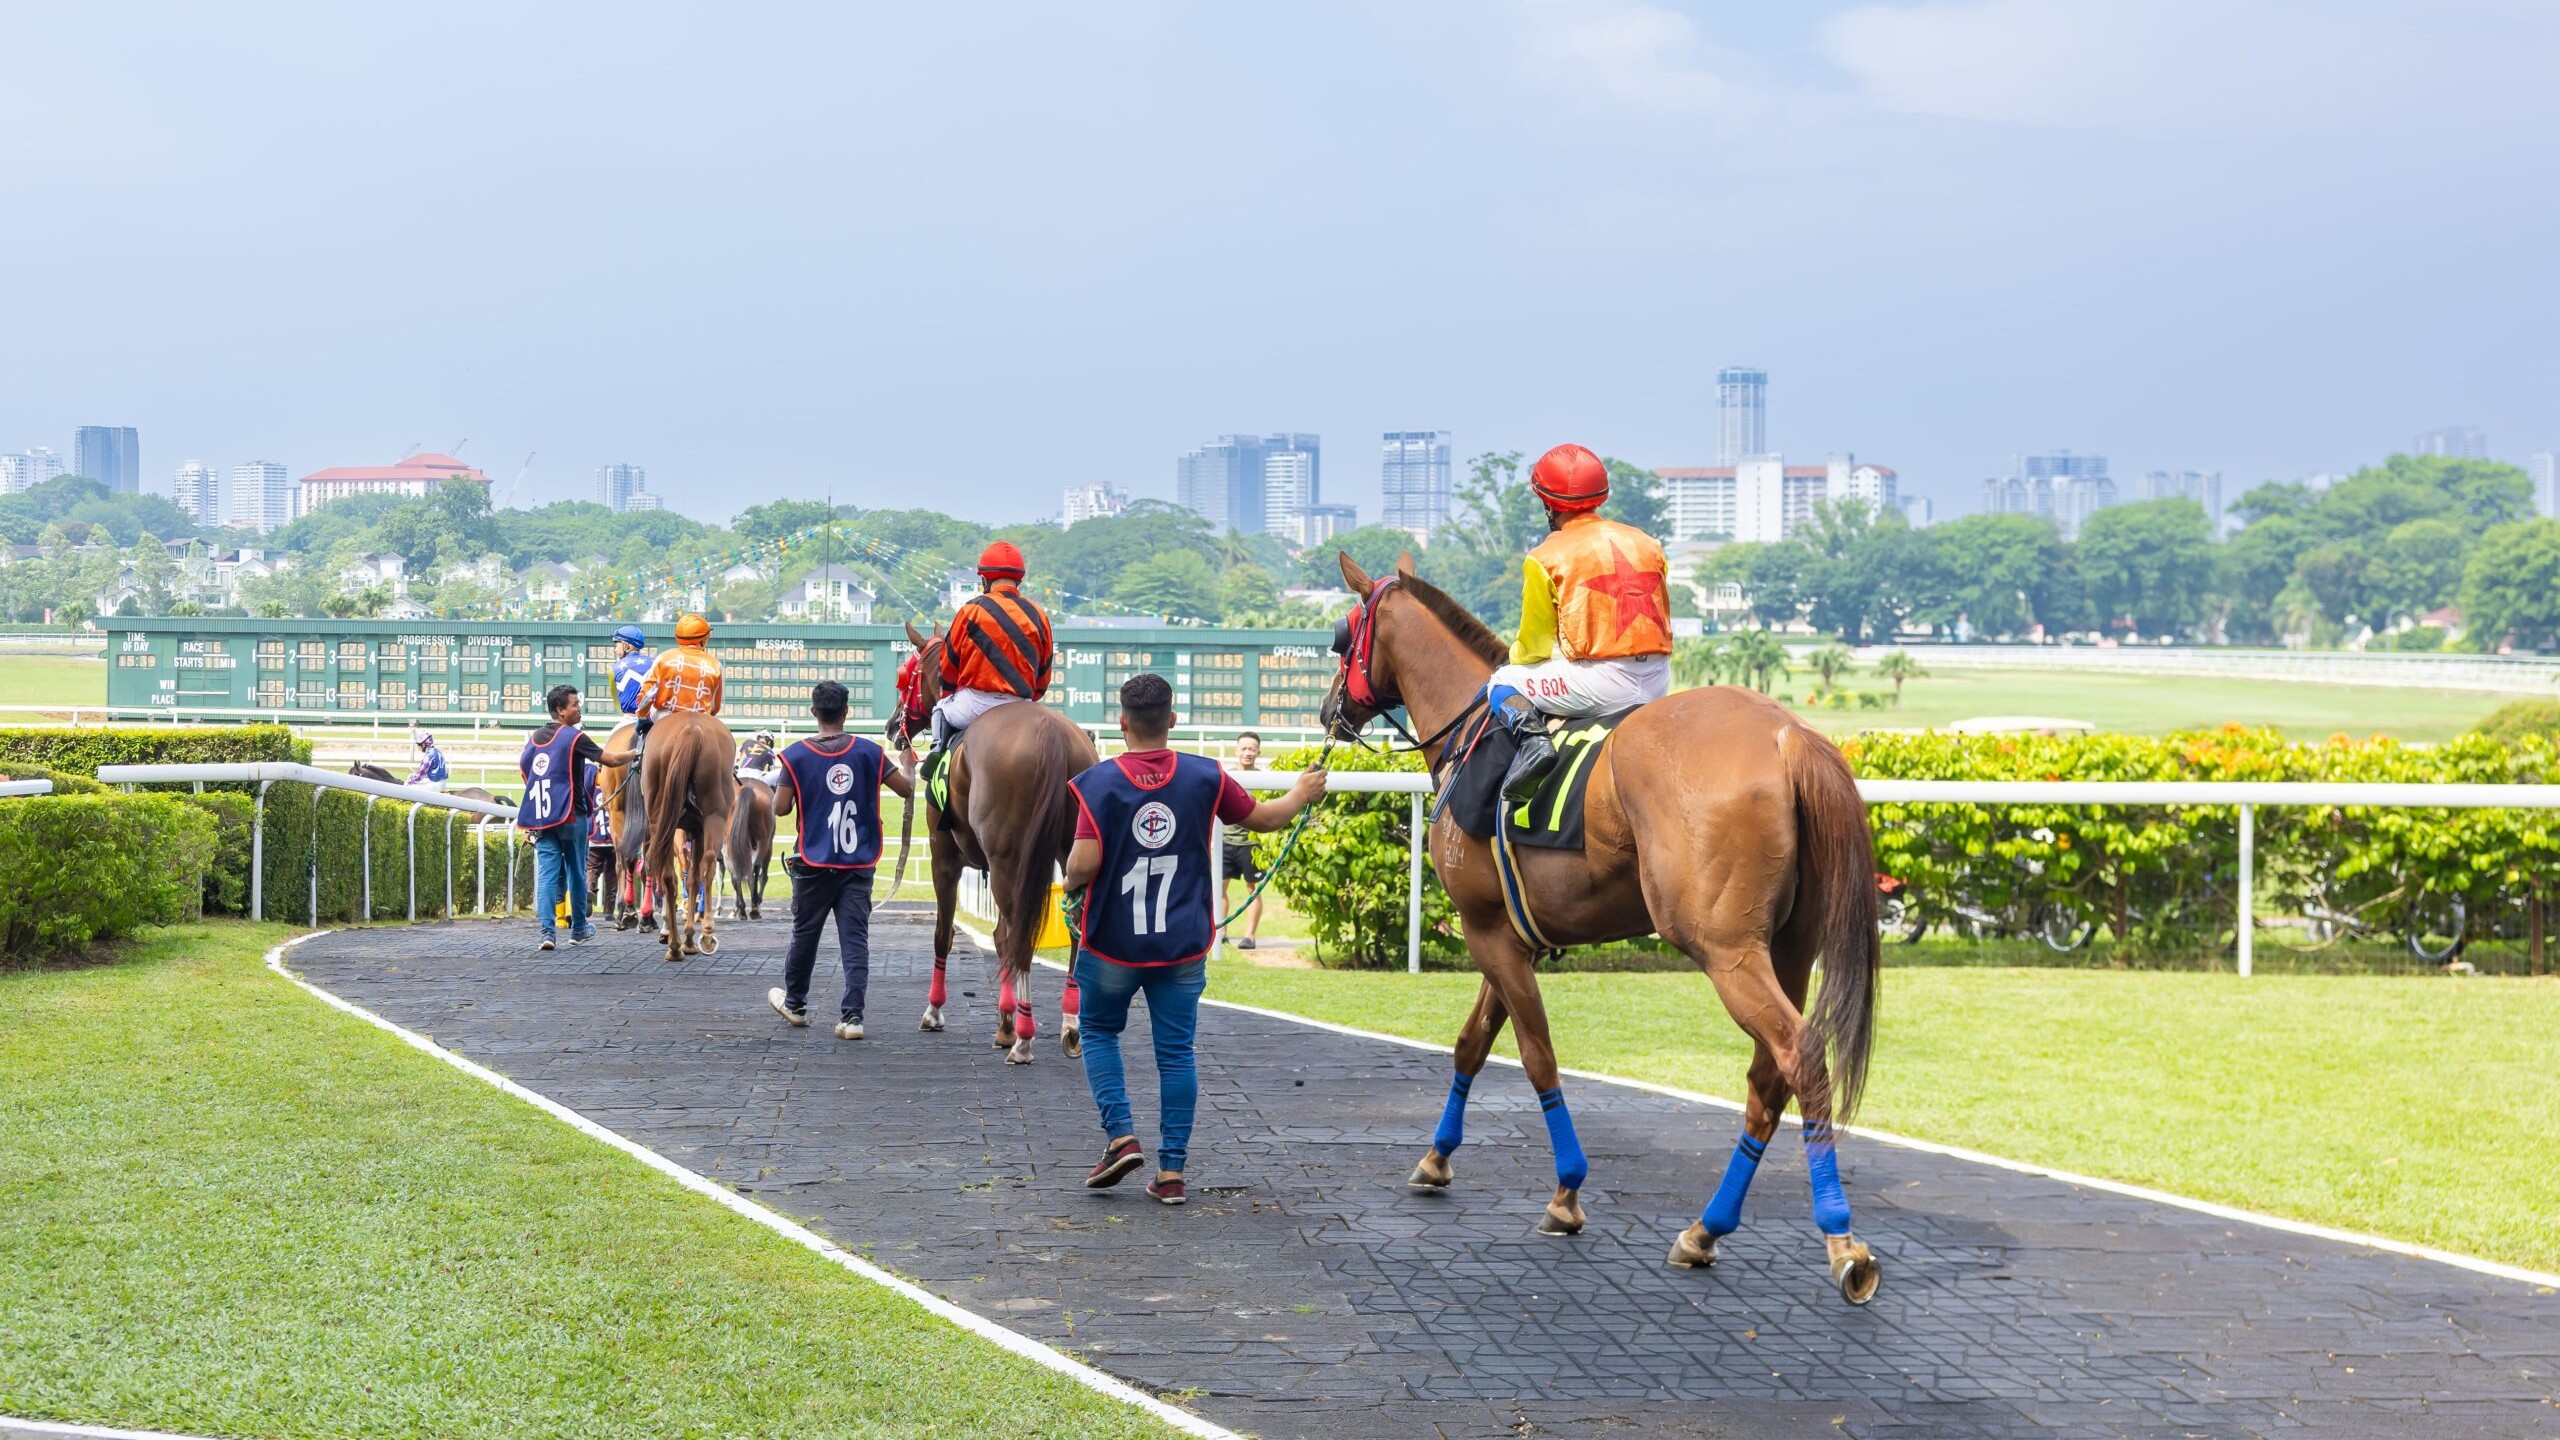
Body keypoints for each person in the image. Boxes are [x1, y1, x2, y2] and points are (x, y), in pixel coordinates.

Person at [1064, 674, 1326, 1205]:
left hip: (1113, 942)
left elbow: (1083, 864)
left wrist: (1070, 883)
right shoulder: (1206, 775)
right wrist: (1300, 792)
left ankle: (1121, 1137)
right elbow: (1265, 819)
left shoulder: (1097, 782)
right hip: (1182, 944)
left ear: (1122, 722)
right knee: (1176, 1054)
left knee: (1096, 1031)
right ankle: (1172, 1174)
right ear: (1173, 720)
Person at [1485, 443, 1674, 806]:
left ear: (1548, 503)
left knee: (1502, 681)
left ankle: (1533, 745)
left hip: (1603, 684)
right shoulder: (1648, 543)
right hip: (1658, 677)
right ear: (1600, 494)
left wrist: (1514, 659)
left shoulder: (1544, 556)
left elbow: (1535, 645)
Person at [768, 681, 914, 1040]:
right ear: (847, 711)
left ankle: (797, 1004)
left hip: (813, 863)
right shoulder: (870, 752)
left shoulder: (796, 755)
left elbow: (781, 808)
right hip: (858, 863)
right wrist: (908, 763)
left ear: (814, 712)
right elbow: (907, 789)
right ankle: (852, 1018)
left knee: (804, 935)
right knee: (855, 940)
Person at [519, 684, 635, 952]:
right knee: (576, 872)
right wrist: (637, 753)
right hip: (573, 816)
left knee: (547, 876)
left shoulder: (535, 737)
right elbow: (610, 759)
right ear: (560, 710)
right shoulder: (574, 736)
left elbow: (525, 769)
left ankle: (547, 933)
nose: (579, 708)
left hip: (543, 818)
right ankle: (579, 929)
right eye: (574, 704)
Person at [929, 540, 1053, 749]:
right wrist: (1032, 696)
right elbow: (1044, 671)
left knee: (940, 709)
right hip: (1020, 706)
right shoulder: (1039, 614)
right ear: (1019, 580)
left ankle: (935, 757)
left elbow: (948, 662)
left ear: (985, 578)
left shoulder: (971, 610)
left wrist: (948, 691)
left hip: (976, 703)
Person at [1220, 731, 1269, 950]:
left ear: (1258, 752)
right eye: (1244, 749)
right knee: (1219, 889)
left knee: (1254, 890)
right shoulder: (1225, 777)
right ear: (1236, 751)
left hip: (1251, 845)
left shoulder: (1265, 779)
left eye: (1252, 749)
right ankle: (1222, 933)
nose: (1248, 753)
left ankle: (1250, 936)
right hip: (1225, 843)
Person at [634, 613, 724, 728]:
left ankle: (641, 745)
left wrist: (642, 716)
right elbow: (715, 707)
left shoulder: (664, 658)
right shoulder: (715, 665)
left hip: (665, 715)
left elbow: (647, 694)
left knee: (642, 732)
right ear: (704, 639)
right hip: (702, 720)